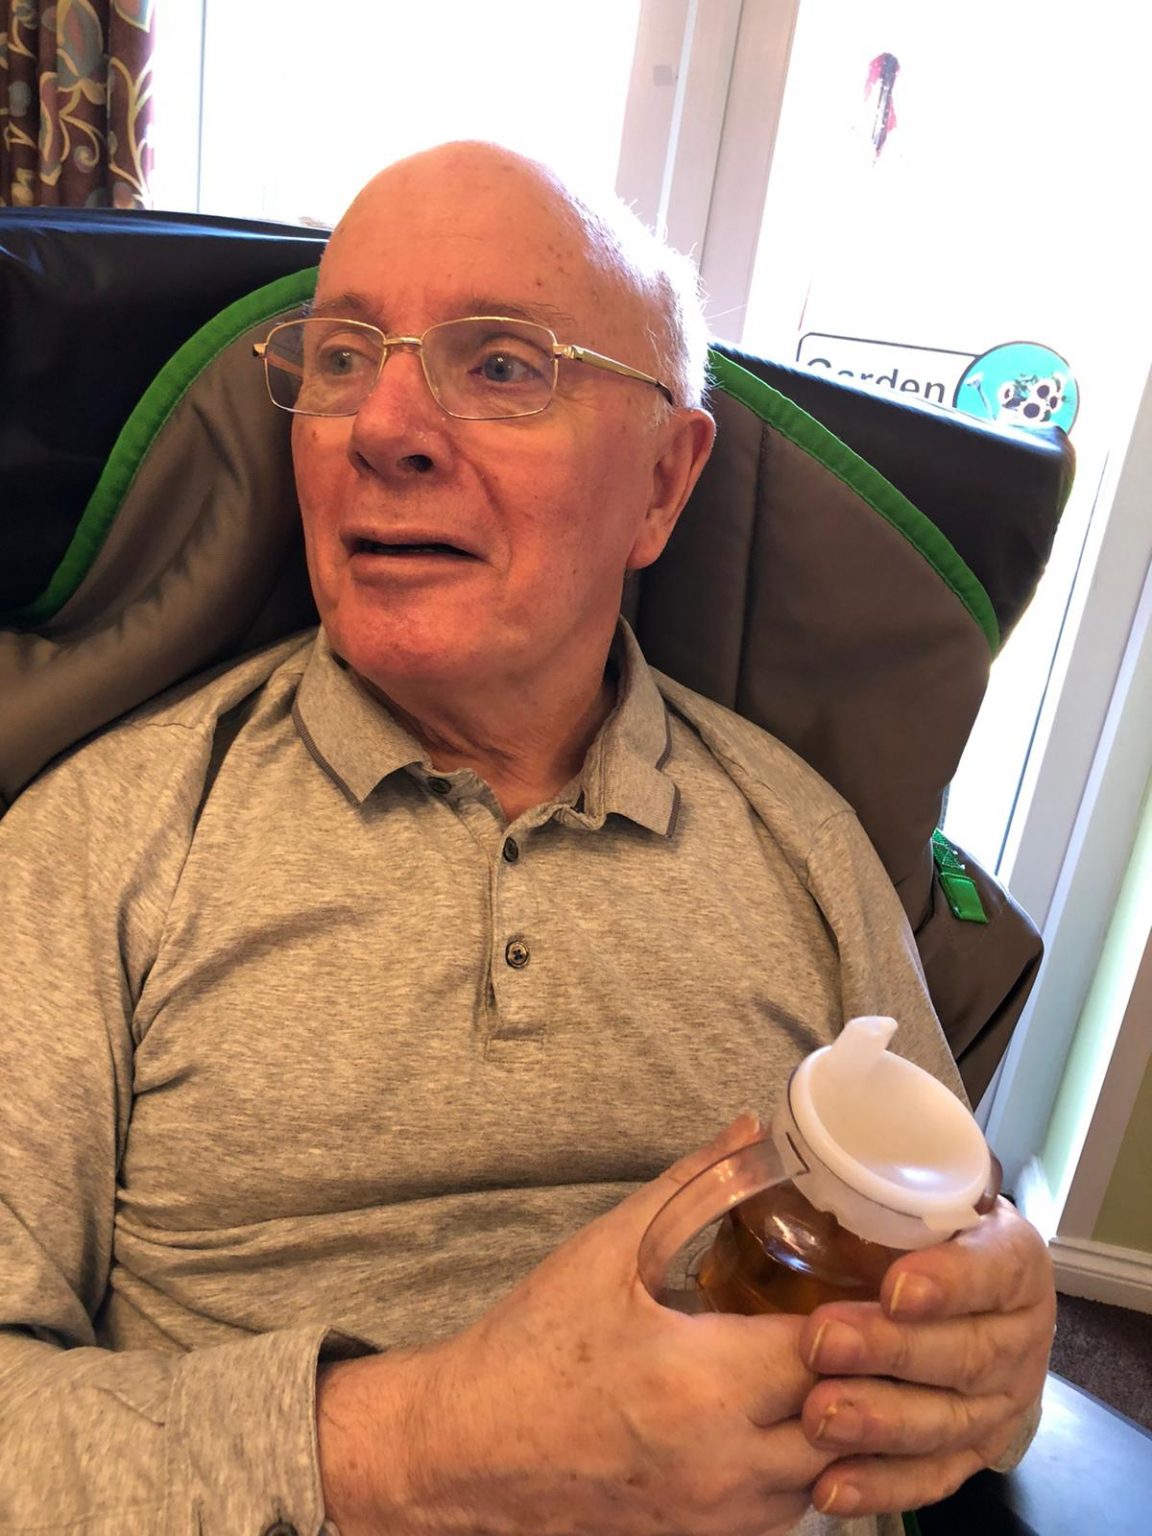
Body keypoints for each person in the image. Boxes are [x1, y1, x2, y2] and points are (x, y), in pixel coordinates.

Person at [0, 142, 1054, 1536]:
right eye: (340, 358)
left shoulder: (805, 844)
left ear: (664, 481)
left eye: (501, 365)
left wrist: (989, 1358)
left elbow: (949, 1294)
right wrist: (438, 1441)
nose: (382, 427)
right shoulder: (100, 841)